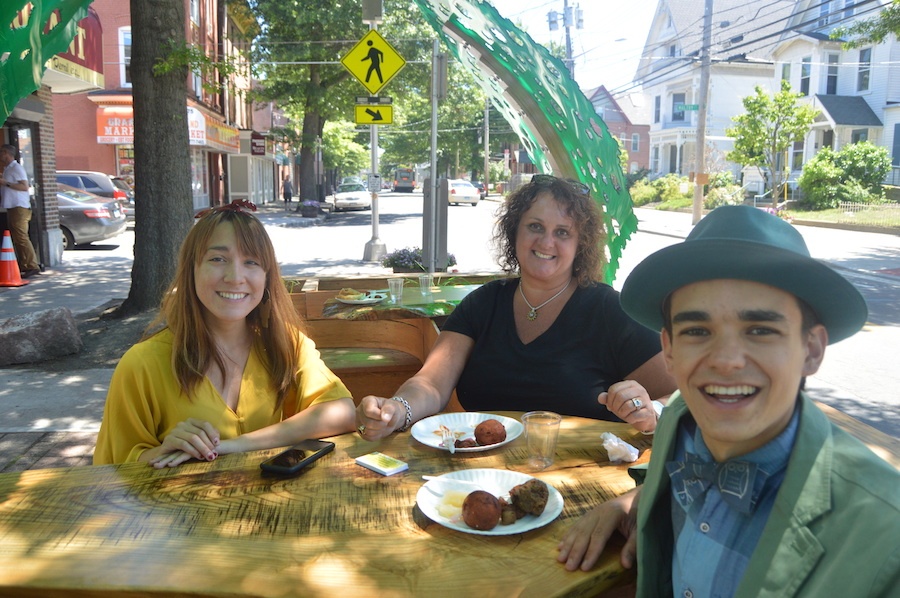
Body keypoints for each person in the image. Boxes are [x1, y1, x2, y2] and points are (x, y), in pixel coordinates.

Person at [557, 205, 899, 597]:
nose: (725, 361)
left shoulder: (886, 535)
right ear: (668, 350)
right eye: (697, 330)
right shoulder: (680, 423)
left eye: (759, 329)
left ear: (811, 350)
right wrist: (629, 505)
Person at [355, 174, 676, 439]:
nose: (546, 242)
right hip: (481, 473)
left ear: (581, 245)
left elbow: (677, 396)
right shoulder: (484, 303)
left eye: (562, 232)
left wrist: (650, 412)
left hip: (580, 475)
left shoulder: (610, 310)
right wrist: (398, 409)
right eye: (535, 226)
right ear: (515, 232)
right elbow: (430, 383)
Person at [93, 200, 356, 467]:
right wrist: (163, 451)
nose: (235, 276)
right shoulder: (141, 364)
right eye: (218, 259)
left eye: (251, 261)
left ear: (267, 276)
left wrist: (232, 446)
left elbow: (342, 411)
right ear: (191, 270)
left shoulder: (287, 344)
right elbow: (111, 471)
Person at [0, 144, 40, 278]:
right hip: (11, 206)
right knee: (17, 237)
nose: (0, 155)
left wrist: (5, 183)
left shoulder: (16, 168)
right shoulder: (7, 169)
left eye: (2, 153)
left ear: (7, 153)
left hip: (19, 207)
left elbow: (24, 186)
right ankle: (24, 264)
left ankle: (31, 265)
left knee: (21, 237)